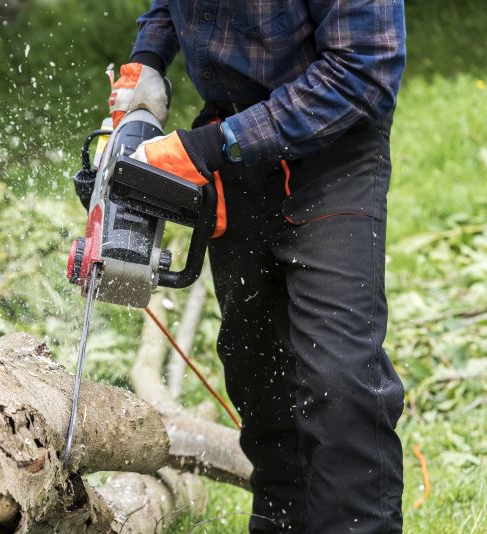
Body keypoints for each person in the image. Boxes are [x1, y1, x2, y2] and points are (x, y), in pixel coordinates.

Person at [108, 1, 407, 532]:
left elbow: (366, 69)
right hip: (235, 140)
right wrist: (148, 60)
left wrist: (207, 148)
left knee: (338, 376)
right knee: (257, 371)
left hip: (333, 148)